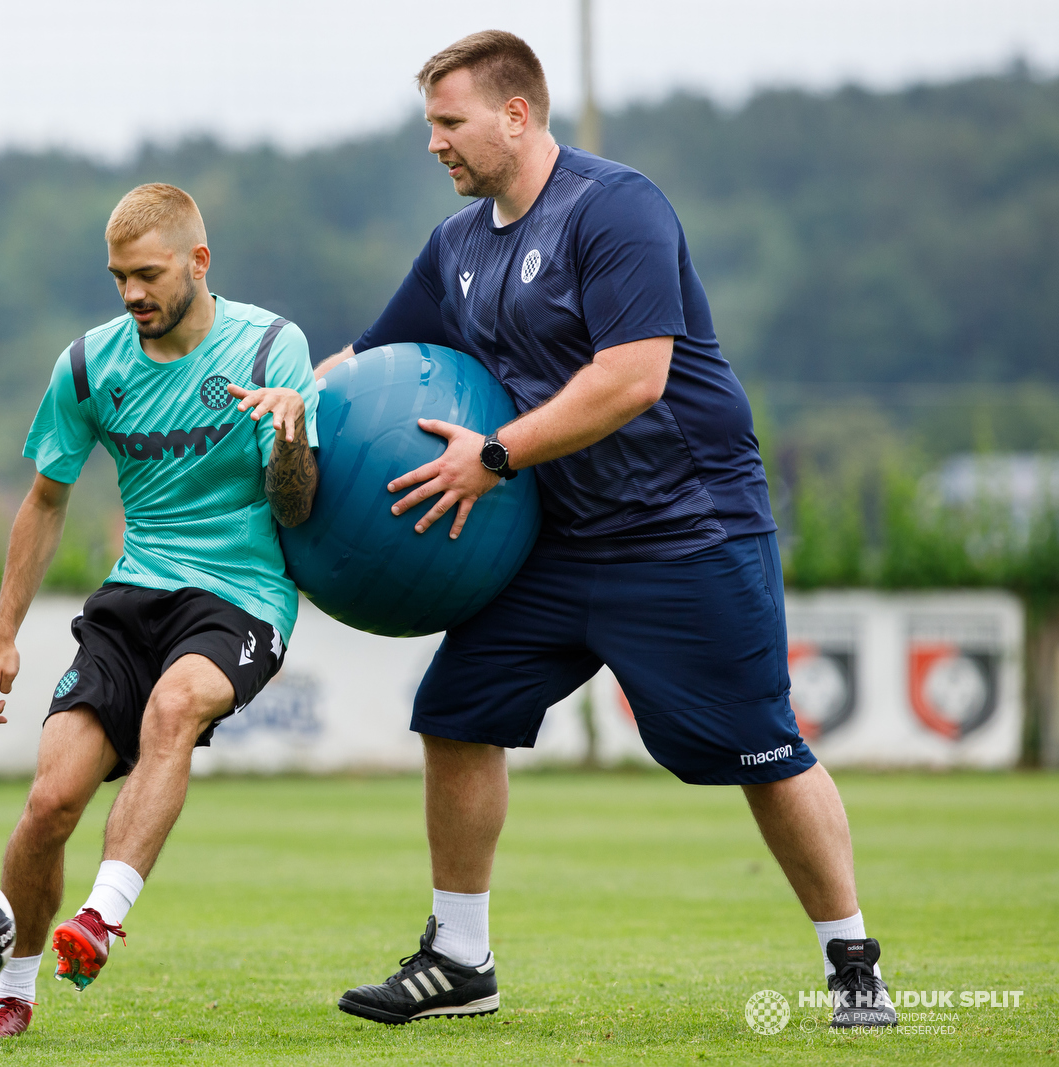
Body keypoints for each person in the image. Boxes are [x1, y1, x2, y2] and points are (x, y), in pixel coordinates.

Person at [317, 31, 896, 1030]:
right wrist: (293, 402)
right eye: (428, 126)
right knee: (456, 711)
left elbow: (634, 378)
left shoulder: (613, 208)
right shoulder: (455, 247)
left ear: (516, 113)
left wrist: (491, 455)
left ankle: (852, 963)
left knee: (761, 747)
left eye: (448, 123)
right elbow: (369, 357)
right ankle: (460, 957)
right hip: (556, 543)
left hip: (685, 532)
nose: (433, 145)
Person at [0, 183, 320, 1040]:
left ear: (197, 261)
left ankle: (103, 914)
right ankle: (12, 989)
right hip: (133, 595)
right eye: (118, 277)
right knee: (50, 802)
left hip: (241, 596)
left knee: (175, 705)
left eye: (148, 274)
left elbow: (296, 508)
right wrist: (3, 634)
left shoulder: (271, 348)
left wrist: (293, 431)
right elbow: (46, 500)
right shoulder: (90, 365)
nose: (131, 294)